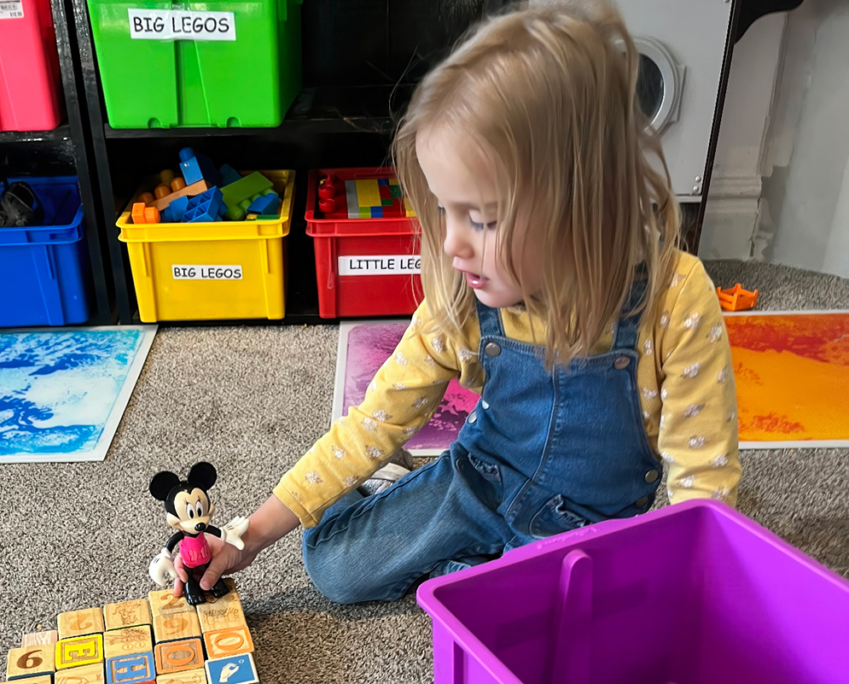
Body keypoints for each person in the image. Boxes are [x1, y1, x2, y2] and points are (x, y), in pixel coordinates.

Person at [168, 0, 741, 604]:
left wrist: (694, 601)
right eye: (445, 210)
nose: (451, 245)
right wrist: (247, 536)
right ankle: (393, 493)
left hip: (592, 525)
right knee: (336, 569)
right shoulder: (464, 296)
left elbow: (703, 488)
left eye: (485, 219)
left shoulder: (675, 298)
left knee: (545, 618)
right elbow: (375, 421)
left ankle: (486, 566)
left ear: (584, 204)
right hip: (481, 480)